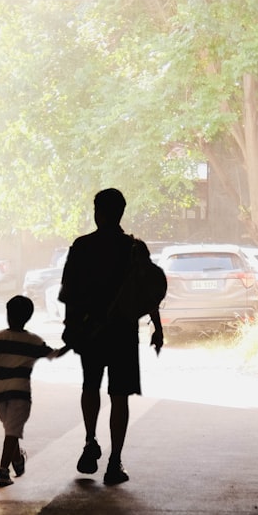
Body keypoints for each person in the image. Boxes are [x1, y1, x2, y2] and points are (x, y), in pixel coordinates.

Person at [58, 188, 164, 485]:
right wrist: (158, 327)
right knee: (120, 396)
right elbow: (147, 292)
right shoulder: (135, 248)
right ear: (121, 212)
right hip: (123, 332)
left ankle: (90, 441)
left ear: (99, 213)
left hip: (90, 332)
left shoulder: (82, 246)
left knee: (90, 386)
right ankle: (114, 462)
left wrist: (71, 327)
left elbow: (69, 293)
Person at [0, 295, 65, 486]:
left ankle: (18, 460)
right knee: (11, 431)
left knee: (10, 430)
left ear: (7, 314)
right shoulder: (33, 341)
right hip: (20, 394)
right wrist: (75, 343)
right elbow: (54, 354)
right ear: (29, 316)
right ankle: (3, 470)